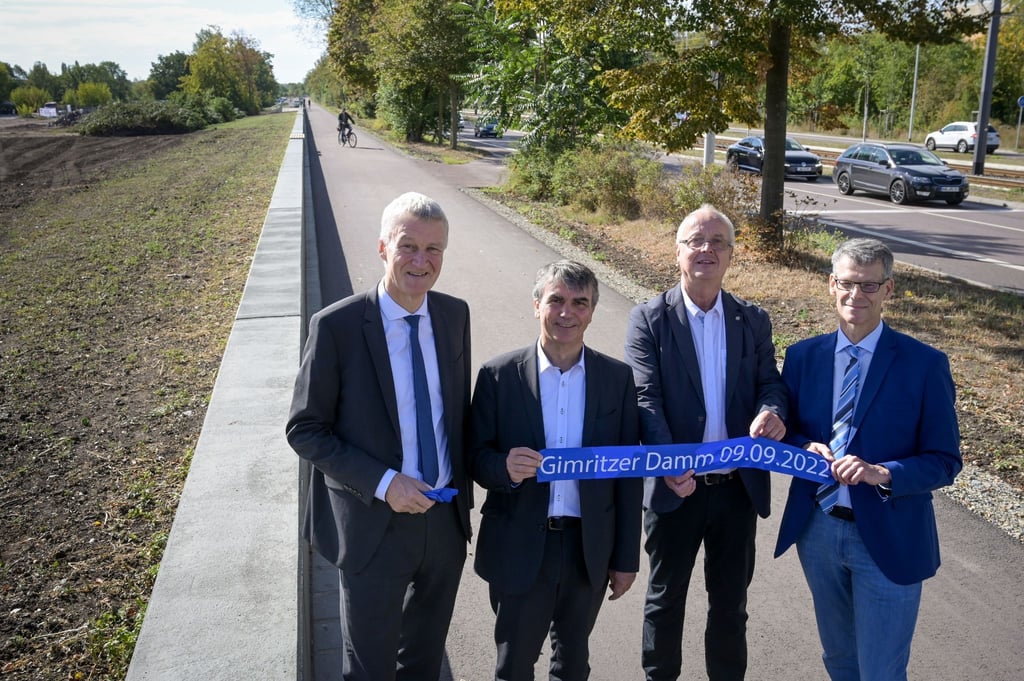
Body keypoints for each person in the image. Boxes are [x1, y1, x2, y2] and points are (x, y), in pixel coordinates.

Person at [285, 192, 473, 681]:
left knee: (424, 663)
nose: (421, 260)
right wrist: (385, 481)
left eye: (434, 249)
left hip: (444, 522)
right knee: (368, 668)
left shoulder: (454, 316)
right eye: (408, 246)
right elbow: (305, 429)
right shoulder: (336, 327)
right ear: (383, 247)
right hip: (372, 527)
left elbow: (453, 415)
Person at [774, 238, 961, 681]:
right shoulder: (803, 357)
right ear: (831, 284)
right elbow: (791, 432)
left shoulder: (924, 364)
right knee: (840, 662)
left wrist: (883, 473)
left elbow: (944, 459)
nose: (855, 296)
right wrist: (802, 447)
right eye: (846, 283)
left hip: (889, 535)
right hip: (817, 531)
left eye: (869, 286)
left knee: (880, 670)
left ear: (889, 290)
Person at [624, 204, 788, 681]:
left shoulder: (752, 320)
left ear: (732, 256)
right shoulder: (650, 319)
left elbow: (769, 384)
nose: (706, 249)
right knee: (664, 601)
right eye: (695, 240)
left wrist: (772, 411)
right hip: (676, 490)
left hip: (736, 490)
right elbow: (645, 398)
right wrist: (669, 463)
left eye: (718, 242)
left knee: (731, 605)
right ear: (677, 252)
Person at [469, 260, 643, 681]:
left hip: (588, 549)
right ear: (537, 305)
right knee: (514, 665)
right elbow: (474, 456)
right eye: (556, 300)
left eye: (580, 303)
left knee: (573, 665)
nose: (567, 313)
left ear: (592, 311)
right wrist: (505, 468)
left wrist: (625, 558)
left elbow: (628, 475)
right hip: (521, 545)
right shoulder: (497, 376)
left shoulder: (616, 378)